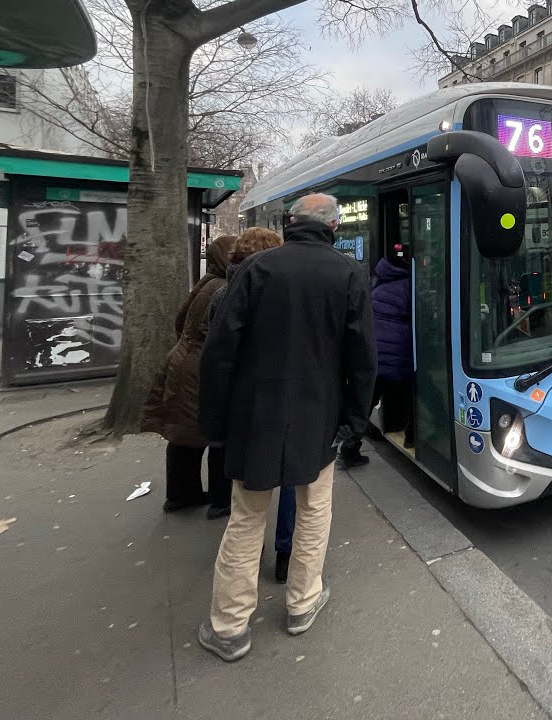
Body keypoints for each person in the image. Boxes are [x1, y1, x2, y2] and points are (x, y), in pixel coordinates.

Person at [197, 194, 376, 662]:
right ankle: (302, 602)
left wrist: (214, 422)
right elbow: (362, 358)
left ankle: (229, 627)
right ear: (333, 226)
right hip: (319, 416)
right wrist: (354, 420)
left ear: (291, 222)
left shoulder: (255, 269)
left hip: (254, 414)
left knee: (246, 518)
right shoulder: (348, 273)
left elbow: (219, 352)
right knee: (314, 510)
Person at [140, 234, 237, 515]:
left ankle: (182, 494)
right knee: (216, 435)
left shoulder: (207, 282)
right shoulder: (223, 287)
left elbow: (180, 321)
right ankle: (219, 500)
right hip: (200, 368)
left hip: (184, 361)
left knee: (184, 434)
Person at [204, 227, 284, 519]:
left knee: (230, 454)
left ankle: (221, 500)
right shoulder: (270, 294)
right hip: (262, 392)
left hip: (234, 392)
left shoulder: (221, 292)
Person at [371, 241, 414, 446]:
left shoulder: (378, 281)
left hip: (377, 353)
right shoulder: (409, 285)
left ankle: (349, 446)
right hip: (399, 354)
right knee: (413, 395)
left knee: (368, 400)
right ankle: (412, 437)